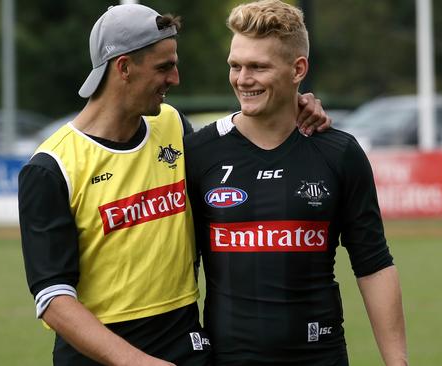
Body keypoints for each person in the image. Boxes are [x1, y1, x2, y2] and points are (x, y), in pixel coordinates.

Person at [18, 4, 329, 366]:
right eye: (164, 67)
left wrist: (296, 106)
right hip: (99, 356)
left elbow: (240, 142)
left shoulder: (173, 126)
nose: (176, 78)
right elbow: (53, 299)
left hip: (185, 344)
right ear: (123, 68)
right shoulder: (52, 167)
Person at [184, 1, 408, 365]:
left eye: (258, 67)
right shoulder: (199, 153)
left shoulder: (339, 153)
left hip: (321, 357)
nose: (243, 79)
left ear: (297, 68)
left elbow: (374, 264)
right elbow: (179, 271)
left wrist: (397, 363)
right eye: (236, 66)